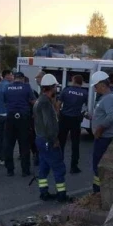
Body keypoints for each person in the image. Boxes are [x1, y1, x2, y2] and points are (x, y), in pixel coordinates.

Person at [34, 74, 71, 202]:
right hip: (47, 140)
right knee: (58, 167)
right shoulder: (45, 103)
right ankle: (61, 195)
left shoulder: (40, 100)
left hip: (40, 139)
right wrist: (54, 139)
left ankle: (43, 193)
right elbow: (49, 124)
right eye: (55, 86)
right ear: (52, 87)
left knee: (44, 167)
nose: (57, 89)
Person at [3, 71, 36, 176]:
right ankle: (25, 170)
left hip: (10, 117)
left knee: (9, 144)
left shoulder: (7, 88)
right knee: (24, 145)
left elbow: (5, 101)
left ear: (14, 78)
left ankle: (10, 170)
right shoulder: (26, 87)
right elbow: (33, 102)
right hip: (23, 118)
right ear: (22, 78)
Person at [90, 71, 113, 193]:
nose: (95, 89)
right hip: (102, 137)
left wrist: (100, 128)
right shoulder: (105, 98)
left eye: (95, 86)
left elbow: (111, 116)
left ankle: (99, 190)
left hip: (104, 138)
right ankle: (98, 189)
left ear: (102, 85)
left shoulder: (107, 99)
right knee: (97, 163)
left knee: (98, 163)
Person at [57, 74, 88, 174]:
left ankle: (59, 164)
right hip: (76, 120)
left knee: (61, 142)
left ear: (73, 81)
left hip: (64, 118)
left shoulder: (66, 90)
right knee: (75, 144)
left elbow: (58, 105)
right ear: (82, 82)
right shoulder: (84, 93)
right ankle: (74, 167)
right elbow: (86, 107)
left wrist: (58, 116)